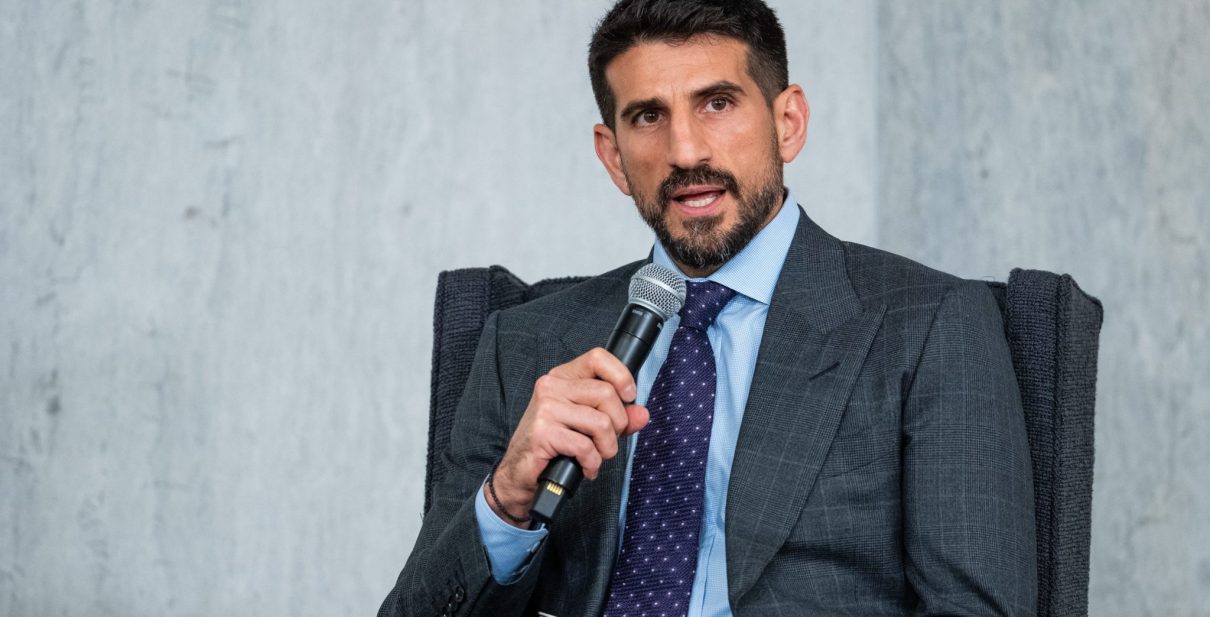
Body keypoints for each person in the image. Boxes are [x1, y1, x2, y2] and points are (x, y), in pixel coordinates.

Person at [379, 1, 1037, 615]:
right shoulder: (523, 343)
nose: (686, 151)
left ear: (788, 123)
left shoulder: (929, 326)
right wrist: (506, 500)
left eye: (717, 104)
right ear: (613, 156)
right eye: (648, 116)